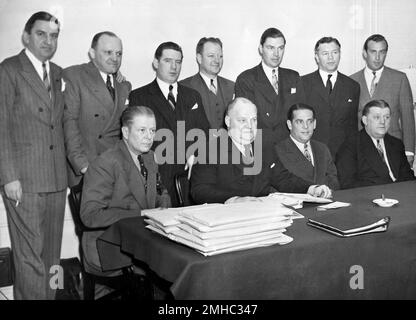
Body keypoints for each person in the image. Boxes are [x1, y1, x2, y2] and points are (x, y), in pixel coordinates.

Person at [0, 12, 67, 299]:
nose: (48, 41)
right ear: (27, 36)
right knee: (29, 259)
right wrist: (9, 176)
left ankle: (52, 297)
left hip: (56, 179)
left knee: (54, 259)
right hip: (23, 182)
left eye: (53, 36)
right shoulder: (9, 69)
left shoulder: (58, 73)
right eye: (41, 34)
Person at [80, 106, 170, 280]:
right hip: (109, 246)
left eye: (152, 131)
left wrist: (163, 208)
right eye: (142, 130)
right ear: (126, 132)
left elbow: (161, 191)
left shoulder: (149, 157)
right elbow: (90, 216)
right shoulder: (105, 163)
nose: (149, 137)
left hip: (142, 239)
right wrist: (142, 214)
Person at [190, 97, 332, 204]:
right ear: (228, 121)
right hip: (227, 220)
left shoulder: (264, 147)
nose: (250, 126)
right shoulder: (209, 150)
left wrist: (311, 188)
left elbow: (283, 178)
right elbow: (200, 191)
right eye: (242, 120)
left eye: (254, 120)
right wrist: (234, 200)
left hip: (263, 215)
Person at [129, 42, 210, 206]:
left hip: (190, 180)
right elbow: (134, 142)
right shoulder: (139, 96)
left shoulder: (193, 96)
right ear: (156, 63)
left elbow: (205, 134)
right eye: (168, 61)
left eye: (178, 62)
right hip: (157, 180)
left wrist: (195, 154)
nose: (174, 67)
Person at [63, 31, 131, 188]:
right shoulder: (74, 76)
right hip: (88, 172)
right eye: (108, 52)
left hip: (116, 172)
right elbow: (69, 126)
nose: (114, 58)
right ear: (92, 53)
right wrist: (83, 166)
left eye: (119, 53)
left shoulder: (123, 85)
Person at [350, 34, 415, 167]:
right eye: (373, 52)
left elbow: (408, 119)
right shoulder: (352, 81)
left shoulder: (399, 79)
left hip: (394, 148)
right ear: (364, 53)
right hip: (363, 151)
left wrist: (409, 152)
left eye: (382, 52)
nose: (378, 57)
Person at [235, 28, 302, 148]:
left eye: (280, 48)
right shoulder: (246, 79)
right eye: (270, 48)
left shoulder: (293, 77)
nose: (276, 54)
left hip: (290, 148)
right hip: (261, 149)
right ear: (261, 49)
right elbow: (245, 123)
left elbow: (300, 116)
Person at [299, 37, 360, 157]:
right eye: (325, 53)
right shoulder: (302, 83)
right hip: (312, 152)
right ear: (317, 57)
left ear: (340, 54)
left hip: (343, 155)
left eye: (335, 52)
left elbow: (352, 127)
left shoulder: (352, 86)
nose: (331, 57)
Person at [336, 100, 414, 189]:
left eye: (387, 117)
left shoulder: (396, 144)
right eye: (377, 117)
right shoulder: (350, 146)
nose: (383, 122)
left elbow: (408, 177)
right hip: (370, 197)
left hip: (401, 195)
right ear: (365, 120)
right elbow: (347, 184)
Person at [275, 103, 340, 190]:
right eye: (299, 122)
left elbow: (334, 182)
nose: (306, 126)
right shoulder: (278, 151)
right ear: (289, 124)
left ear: (315, 124)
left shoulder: (322, 149)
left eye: (310, 121)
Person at [180, 37, 234, 129]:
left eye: (220, 56)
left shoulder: (232, 86)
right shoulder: (183, 87)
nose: (217, 60)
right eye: (211, 56)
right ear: (199, 58)